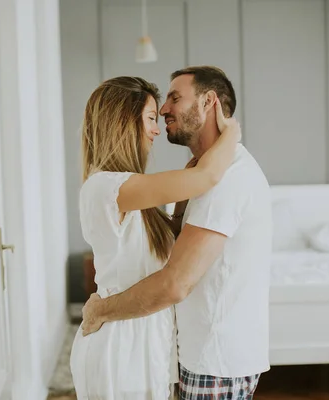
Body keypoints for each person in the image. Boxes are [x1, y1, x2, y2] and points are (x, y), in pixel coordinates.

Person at [81, 66, 272, 400]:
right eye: (152, 116)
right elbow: (206, 178)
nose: (160, 121)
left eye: (173, 99)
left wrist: (102, 309)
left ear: (209, 102)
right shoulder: (112, 186)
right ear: (124, 123)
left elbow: (173, 271)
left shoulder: (227, 176)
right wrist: (230, 136)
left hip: (183, 350)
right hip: (126, 342)